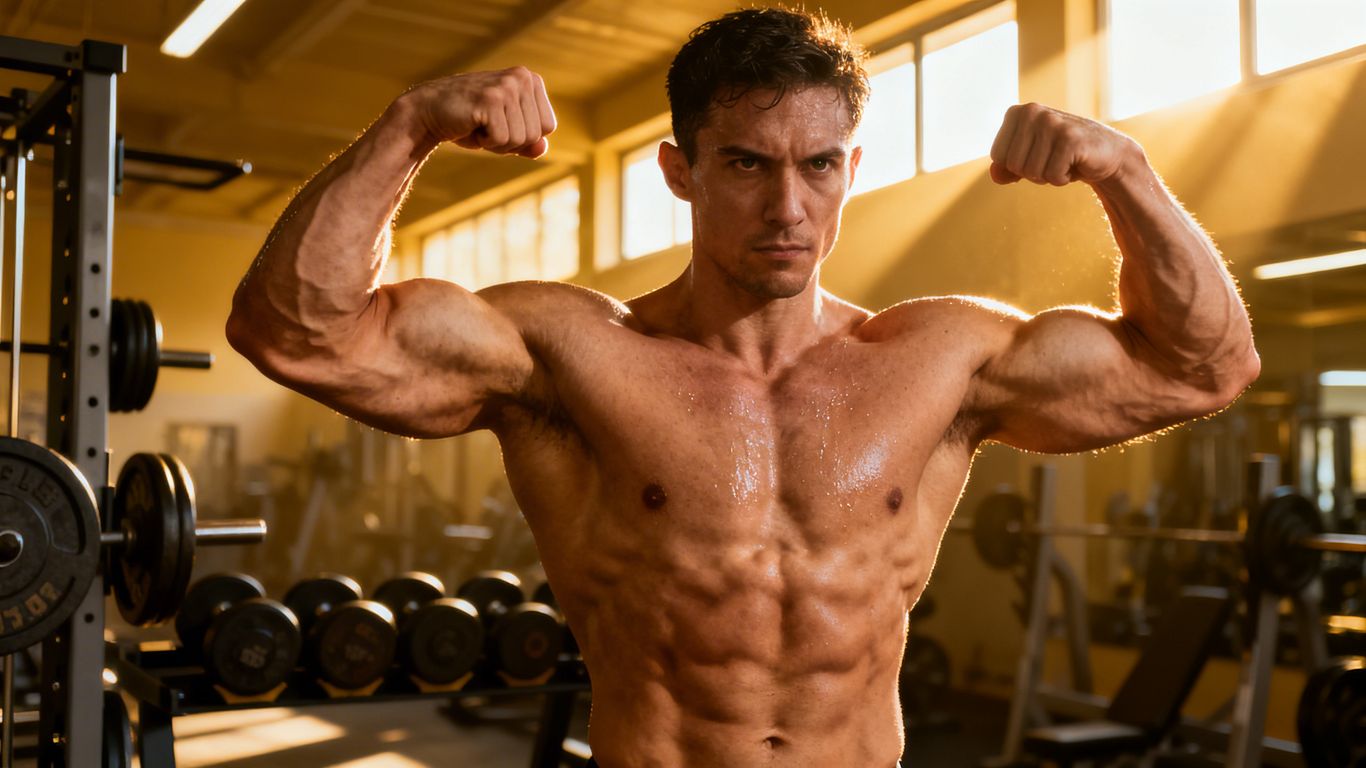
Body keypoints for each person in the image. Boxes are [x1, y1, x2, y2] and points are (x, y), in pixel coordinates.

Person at [227, 7, 1259, 767]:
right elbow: (296, 332)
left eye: (817, 166)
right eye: (746, 164)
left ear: (852, 167)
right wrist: (409, 123)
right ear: (680, 171)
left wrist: (1123, 168)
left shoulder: (939, 359)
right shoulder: (572, 353)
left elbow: (1203, 366)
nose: (788, 206)